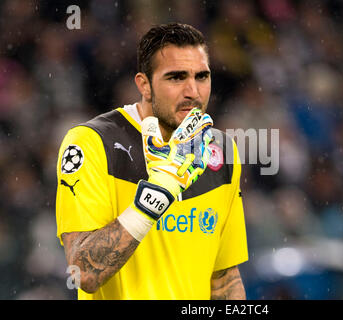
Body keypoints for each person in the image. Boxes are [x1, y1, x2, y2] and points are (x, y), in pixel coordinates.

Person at [55, 23, 248, 300]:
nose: (193, 91)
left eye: (202, 77)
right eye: (176, 78)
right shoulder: (91, 143)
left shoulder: (221, 152)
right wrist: (158, 194)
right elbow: (82, 272)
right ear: (144, 84)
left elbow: (224, 279)